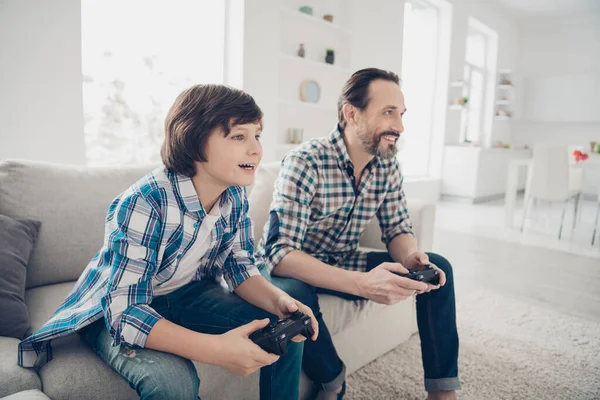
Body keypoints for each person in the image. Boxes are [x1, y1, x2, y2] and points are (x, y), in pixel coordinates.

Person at [18, 84, 319, 400]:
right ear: (194, 141)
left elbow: (239, 266)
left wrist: (279, 301)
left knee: (283, 325)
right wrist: (216, 350)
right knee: (173, 384)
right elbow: (125, 311)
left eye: (257, 135)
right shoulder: (143, 202)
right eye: (238, 137)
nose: (256, 149)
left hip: (186, 291)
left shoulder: (235, 195)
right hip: (117, 307)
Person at [256, 68, 460, 400]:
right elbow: (278, 254)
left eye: (402, 114)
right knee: (292, 294)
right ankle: (332, 380)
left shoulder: (387, 165)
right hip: (300, 268)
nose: (399, 126)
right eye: (388, 112)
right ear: (352, 113)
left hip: (346, 258)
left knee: (439, 268)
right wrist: (361, 283)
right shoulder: (306, 162)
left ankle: (442, 392)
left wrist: (410, 257)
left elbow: (397, 228)